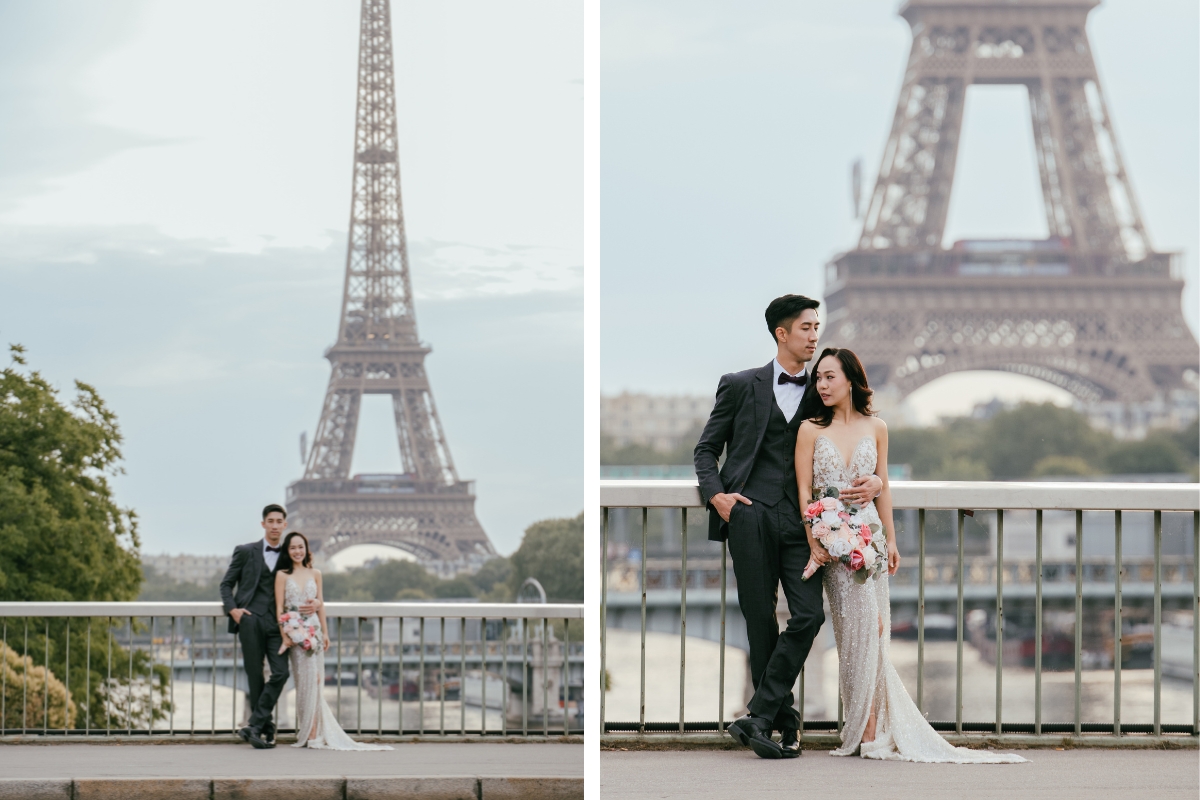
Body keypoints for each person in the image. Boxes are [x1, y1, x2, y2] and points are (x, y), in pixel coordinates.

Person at [795, 347, 1025, 763]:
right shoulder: (810, 429)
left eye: (830, 377)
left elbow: (884, 485)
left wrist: (894, 540)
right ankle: (863, 727)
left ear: (851, 379)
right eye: (819, 378)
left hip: (871, 540)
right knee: (853, 634)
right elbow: (802, 491)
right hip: (833, 545)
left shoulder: (878, 427)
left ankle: (868, 729)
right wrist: (814, 535)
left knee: (875, 629)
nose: (822, 385)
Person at [693, 294, 883, 759]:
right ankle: (786, 725)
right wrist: (717, 496)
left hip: (805, 526)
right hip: (750, 516)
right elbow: (705, 450)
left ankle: (758, 715)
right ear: (782, 333)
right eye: (806, 328)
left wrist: (877, 477)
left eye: (816, 327)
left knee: (808, 616)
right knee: (760, 624)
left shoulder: (823, 392)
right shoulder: (739, 385)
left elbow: (855, 431)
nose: (815, 335)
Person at [274, 531, 392, 750]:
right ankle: (309, 731)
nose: (297, 551)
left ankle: (313, 732)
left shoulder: (316, 573)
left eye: (301, 547)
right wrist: (285, 635)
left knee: (316, 680)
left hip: (314, 630)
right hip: (295, 633)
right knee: (305, 681)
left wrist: (326, 633)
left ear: (306, 549)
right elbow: (279, 607)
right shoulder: (281, 575)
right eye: (292, 548)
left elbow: (322, 604)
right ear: (287, 551)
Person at [219, 503, 320, 749]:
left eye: (279, 522)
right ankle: (267, 728)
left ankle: (254, 725)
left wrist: (316, 600)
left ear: (285, 525)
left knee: (280, 673)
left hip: (279, 624)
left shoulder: (290, 555)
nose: (275, 526)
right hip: (250, 620)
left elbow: (307, 578)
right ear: (263, 524)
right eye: (270, 521)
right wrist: (233, 610)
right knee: (254, 675)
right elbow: (226, 585)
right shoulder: (245, 551)